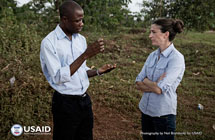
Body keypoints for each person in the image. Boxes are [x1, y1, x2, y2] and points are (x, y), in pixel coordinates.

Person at [40, 1, 116, 140]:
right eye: (77, 20)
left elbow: (80, 71)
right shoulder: (49, 42)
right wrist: (85, 55)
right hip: (65, 104)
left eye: (82, 19)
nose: (82, 24)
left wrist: (99, 71)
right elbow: (58, 77)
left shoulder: (81, 39)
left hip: (84, 101)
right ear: (64, 19)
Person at [135, 18, 185, 140]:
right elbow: (137, 82)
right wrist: (153, 83)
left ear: (166, 34)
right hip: (146, 111)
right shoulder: (152, 56)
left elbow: (159, 90)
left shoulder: (176, 59)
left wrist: (146, 81)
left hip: (163, 116)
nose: (149, 35)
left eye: (153, 32)